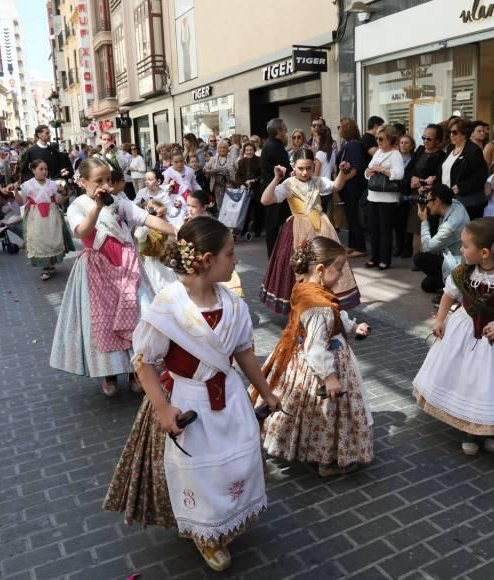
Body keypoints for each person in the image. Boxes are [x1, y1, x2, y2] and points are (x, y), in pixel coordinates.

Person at [103, 217, 280, 572]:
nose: (236, 261)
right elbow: (144, 361)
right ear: (206, 260)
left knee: (235, 460)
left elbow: (244, 351)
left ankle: (226, 517)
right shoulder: (168, 307)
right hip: (190, 401)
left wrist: (265, 391)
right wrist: (163, 407)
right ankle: (205, 533)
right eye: (230, 254)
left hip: (230, 397)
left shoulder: (232, 304)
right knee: (198, 472)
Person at [413, 217, 494, 455]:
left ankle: (492, 428)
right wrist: (440, 319)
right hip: (464, 330)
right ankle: (469, 430)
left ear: (484, 252)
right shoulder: (463, 271)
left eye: (464, 246)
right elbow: (448, 295)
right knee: (467, 381)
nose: (461, 250)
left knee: (492, 382)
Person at [49, 158, 176, 397]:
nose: (105, 185)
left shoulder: (119, 202)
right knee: (103, 323)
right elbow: (83, 231)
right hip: (97, 271)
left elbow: (146, 218)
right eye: (99, 181)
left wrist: (178, 230)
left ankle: (135, 372)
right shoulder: (78, 206)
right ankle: (108, 374)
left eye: (108, 180)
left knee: (139, 317)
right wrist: (97, 207)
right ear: (83, 181)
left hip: (128, 266)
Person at [258, 236, 373, 477]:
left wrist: (352, 327)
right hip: (322, 364)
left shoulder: (305, 288)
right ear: (321, 270)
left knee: (308, 411)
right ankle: (327, 460)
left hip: (299, 359)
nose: (341, 275)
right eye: (338, 269)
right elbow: (316, 347)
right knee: (327, 413)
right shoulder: (318, 304)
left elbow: (335, 315)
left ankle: (310, 450)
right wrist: (329, 376)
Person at [260, 149, 358, 314]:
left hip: (321, 227)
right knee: (300, 267)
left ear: (314, 166)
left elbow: (336, 186)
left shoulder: (317, 181)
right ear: (293, 166)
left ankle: (323, 301)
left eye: (309, 168)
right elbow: (265, 200)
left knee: (326, 265)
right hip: (297, 229)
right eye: (301, 168)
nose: (305, 172)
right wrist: (277, 178)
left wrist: (341, 172)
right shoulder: (288, 184)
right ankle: (302, 305)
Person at [14, 160, 73, 281]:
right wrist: (15, 191)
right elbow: (21, 202)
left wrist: (63, 193)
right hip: (35, 215)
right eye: (41, 169)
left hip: (52, 214)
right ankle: (45, 267)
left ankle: (50, 264)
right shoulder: (27, 185)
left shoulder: (52, 184)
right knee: (39, 239)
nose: (44, 171)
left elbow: (59, 201)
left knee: (51, 238)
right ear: (33, 170)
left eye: (46, 169)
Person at [414, 183, 469, 294]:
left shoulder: (451, 226)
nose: (427, 205)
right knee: (426, 286)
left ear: (438, 201)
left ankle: (452, 290)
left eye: (428, 201)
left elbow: (427, 248)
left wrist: (424, 221)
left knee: (419, 258)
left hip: (456, 263)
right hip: (450, 253)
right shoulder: (455, 204)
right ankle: (446, 283)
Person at [364, 124, 405, 271]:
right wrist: (369, 172)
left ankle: (384, 260)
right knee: (373, 229)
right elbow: (367, 171)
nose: (378, 142)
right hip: (373, 196)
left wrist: (381, 169)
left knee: (385, 231)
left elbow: (399, 174)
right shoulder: (378, 153)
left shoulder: (395, 154)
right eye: (377, 138)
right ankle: (374, 257)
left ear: (390, 139)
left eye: (381, 139)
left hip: (387, 198)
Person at [404, 124, 446, 259]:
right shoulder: (420, 150)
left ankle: (426, 256)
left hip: (430, 196)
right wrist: (413, 178)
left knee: (428, 226)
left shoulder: (441, 156)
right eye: (423, 138)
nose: (425, 141)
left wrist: (428, 184)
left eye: (429, 139)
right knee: (415, 226)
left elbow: (440, 178)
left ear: (438, 141)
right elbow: (409, 169)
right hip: (416, 194)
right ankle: (417, 256)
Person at [441, 118, 489, 220]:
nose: (451, 135)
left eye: (454, 132)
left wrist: (461, 187)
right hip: (449, 199)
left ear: (464, 133)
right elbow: (445, 170)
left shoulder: (473, 150)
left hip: (467, 202)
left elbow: (482, 175)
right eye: (450, 132)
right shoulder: (450, 148)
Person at [336, 118, 368, 257]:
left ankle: (360, 247)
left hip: (353, 187)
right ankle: (352, 245)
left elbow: (355, 169)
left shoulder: (354, 145)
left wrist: (340, 181)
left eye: (340, 126)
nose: (338, 129)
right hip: (348, 187)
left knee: (353, 216)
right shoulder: (348, 144)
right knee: (350, 216)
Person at [260, 118, 291, 256]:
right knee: (274, 224)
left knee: (275, 224)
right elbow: (285, 169)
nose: (286, 131)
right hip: (274, 189)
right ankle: (273, 255)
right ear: (279, 130)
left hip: (273, 188)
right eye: (284, 128)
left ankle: (275, 254)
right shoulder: (274, 147)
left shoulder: (272, 145)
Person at [234, 142, 263, 236]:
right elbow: (238, 175)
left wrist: (253, 180)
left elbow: (262, 175)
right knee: (245, 210)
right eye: (247, 150)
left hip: (257, 188)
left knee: (258, 211)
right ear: (244, 151)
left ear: (254, 150)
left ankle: (258, 230)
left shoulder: (260, 160)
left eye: (251, 150)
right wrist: (241, 184)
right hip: (245, 189)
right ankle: (243, 229)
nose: (249, 152)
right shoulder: (241, 161)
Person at [394, 134, 416, 258]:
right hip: (395, 193)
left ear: (412, 146)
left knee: (407, 222)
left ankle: (407, 248)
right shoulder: (395, 158)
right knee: (398, 223)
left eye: (406, 143)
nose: (403, 145)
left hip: (408, 194)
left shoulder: (414, 159)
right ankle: (399, 246)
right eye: (401, 143)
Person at [203, 141, 234, 210]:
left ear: (228, 149)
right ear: (217, 149)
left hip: (230, 185)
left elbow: (237, 172)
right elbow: (204, 170)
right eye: (220, 148)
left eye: (224, 148)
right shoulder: (213, 159)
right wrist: (214, 171)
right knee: (220, 206)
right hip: (217, 186)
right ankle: (220, 220)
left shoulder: (232, 160)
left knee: (229, 206)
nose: (222, 149)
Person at [313, 125, 337, 213]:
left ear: (320, 138)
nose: (315, 139)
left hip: (320, 191)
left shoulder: (319, 154)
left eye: (316, 136)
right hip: (329, 189)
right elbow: (333, 170)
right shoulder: (332, 153)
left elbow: (316, 175)